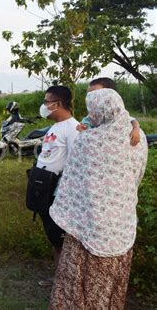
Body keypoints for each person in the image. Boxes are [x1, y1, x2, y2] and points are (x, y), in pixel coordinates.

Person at [49, 88, 148, 308]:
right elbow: (137, 175)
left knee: (81, 280)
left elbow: (74, 184)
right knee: (112, 282)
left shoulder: (88, 142)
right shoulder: (137, 137)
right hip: (121, 223)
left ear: (97, 110)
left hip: (89, 227)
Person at [35, 85, 80, 286]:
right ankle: (58, 280)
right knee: (54, 239)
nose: (43, 106)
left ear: (58, 104)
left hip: (58, 194)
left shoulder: (73, 129)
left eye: (46, 102)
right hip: (44, 191)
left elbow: (75, 164)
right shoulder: (55, 127)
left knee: (62, 242)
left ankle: (67, 284)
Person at [76, 77, 141, 146]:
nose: (91, 98)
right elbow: (86, 128)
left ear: (110, 94)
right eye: (89, 95)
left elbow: (132, 120)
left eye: (96, 94)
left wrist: (136, 129)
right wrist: (83, 129)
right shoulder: (90, 118)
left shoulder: (119, 115)